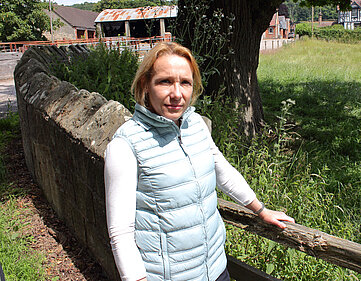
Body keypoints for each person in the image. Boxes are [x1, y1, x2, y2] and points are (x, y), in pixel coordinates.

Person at [104, 42, 295, 281]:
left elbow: (222, 171)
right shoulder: (125, 145)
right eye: (165, 81)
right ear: (145, 84)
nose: (177, 94)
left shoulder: (195, 125)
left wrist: (261, 209)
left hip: (216, 269)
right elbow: (120, 232)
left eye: (185, 82)